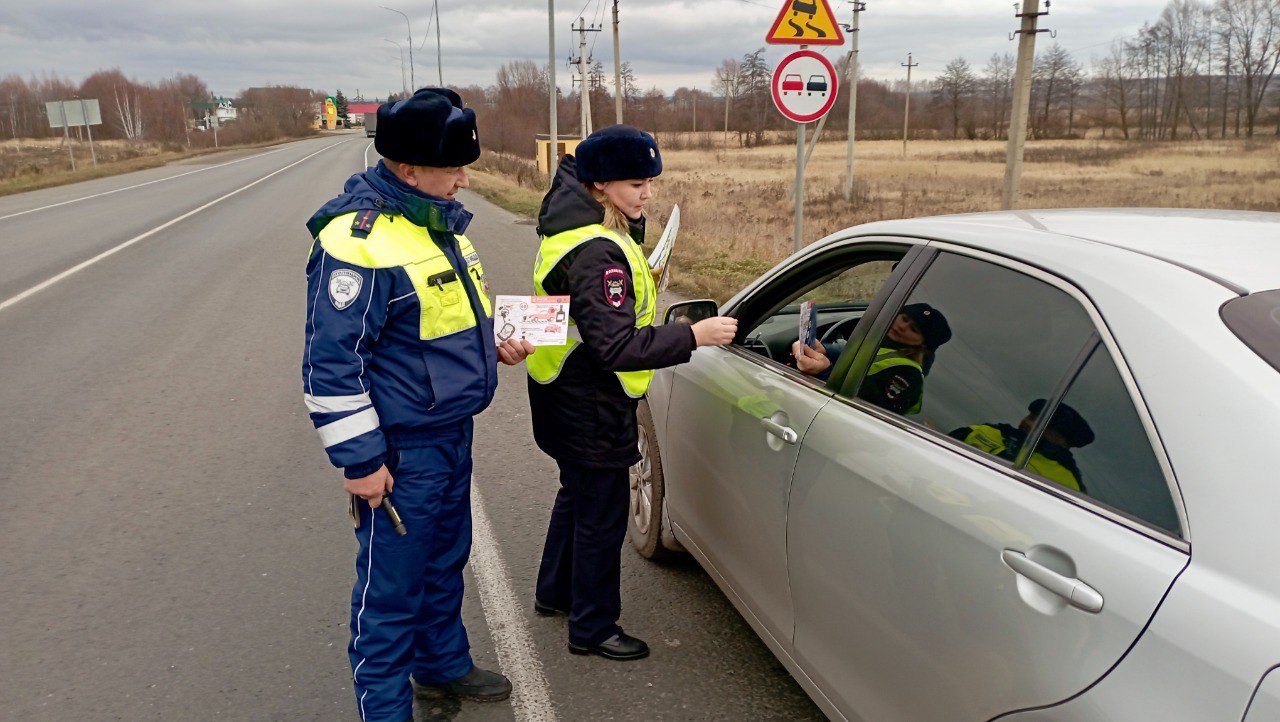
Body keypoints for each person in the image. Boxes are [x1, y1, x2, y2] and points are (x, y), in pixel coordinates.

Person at [302, 87, 533, 722]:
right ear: (407, 169)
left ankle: (441, 667)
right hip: (400, 451)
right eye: (453, 168)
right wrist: (360, 460)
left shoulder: (433, 218)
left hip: (449, 432)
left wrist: (494, 346)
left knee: (444, 562)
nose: (464, 180)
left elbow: (441, 319)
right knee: (390, 592)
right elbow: (331, 364)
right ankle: (384, 710)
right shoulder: (359, 241)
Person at [526, 125, 737, 661]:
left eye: (649, 180)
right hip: (590, 400)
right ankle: (593, 628)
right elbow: (617, 346)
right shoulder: (599, 252)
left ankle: (555, 594)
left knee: (575, 495)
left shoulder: (569, 230)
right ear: (598, 184)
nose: (647, 192)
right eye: (634, 182)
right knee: (601, 513)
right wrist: (694, 333)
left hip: (558, 388)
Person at [793, 302, 951, 414]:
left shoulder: (909, 375)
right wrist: (826, 351)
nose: (903, 327)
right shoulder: (882, 342)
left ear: (922, 344)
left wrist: (826, 372)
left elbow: (867, 405)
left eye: (913, 329)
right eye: (904, 319)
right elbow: (856, 357)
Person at [949, 399, 1095, 491]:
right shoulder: (989, 431)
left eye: (1041, 425)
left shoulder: (1067, 481)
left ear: (1063, 441)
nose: (1028, 423)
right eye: (1031, 417)